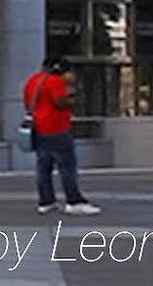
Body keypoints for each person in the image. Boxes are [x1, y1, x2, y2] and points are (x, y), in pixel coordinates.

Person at [23, 56, 99, 214]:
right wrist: (71, 98)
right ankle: (74, 201)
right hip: (56, 127)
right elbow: (59, 102)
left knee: (44, 167)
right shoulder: (55, 81)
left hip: (38, 128)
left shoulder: (32, 81)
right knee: (67, 166)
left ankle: (46, 201)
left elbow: (28, 103)